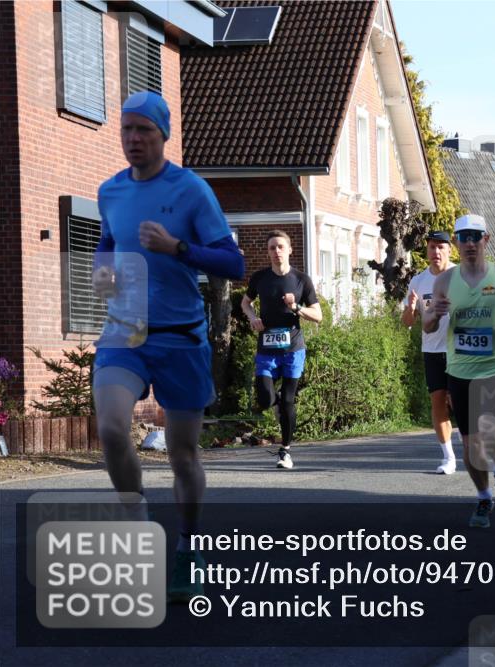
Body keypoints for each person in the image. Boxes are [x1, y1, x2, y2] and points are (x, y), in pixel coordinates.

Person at [91, 91, 245, 602]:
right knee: (112, 427)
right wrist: (103, 273)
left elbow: (234, 264)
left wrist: (178, 248)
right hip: (125, 331)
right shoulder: (110, 191)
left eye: (144, 132)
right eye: (127, 131)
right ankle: (137, 526)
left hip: (181, 336)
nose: (134, 140)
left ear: (163, 136)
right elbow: (107, 245)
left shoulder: (192, 190)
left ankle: (188, 546)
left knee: (182, 454)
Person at [422, 214, 495, 528]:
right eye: (464, 237)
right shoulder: (445, 281)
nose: (470, 243)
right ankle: (484, 497)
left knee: (490, 429)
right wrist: (434, 314)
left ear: (486, 239)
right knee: (471, 443)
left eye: (476, 237)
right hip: (459, 369)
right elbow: (427, 324)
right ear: (457, 243)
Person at [241, 230, 321, 470]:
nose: (276, 252)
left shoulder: (301, 280)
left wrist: (296, 307)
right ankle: (276, 407)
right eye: (271, 248)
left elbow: (318, 315)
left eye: (280, 247)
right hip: (267, 347)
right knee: (265, 398)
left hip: (293, 348)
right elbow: (245, 303)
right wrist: (253, 318)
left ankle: (285, 451)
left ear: (289, 250)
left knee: (287, 400)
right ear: (268, 252)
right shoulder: (260, 278)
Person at [401, 230, 458, 474]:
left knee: (460, 403)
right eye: (432, 247)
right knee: (437, 402)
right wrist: (411, 308)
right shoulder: (418, 282)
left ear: (449, 250)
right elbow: (407, 322)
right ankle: (449, 457)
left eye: (441, 247)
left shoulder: (461, 276)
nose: (435, 252)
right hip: (432, 350)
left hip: (460, 350)